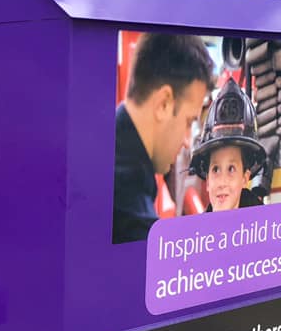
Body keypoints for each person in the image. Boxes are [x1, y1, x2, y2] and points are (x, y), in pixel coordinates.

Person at [112, 33, 214, 243]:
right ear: (164, 104)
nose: (187, 141)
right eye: (188, 122)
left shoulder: (109, 143)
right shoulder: (126, 201)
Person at [188, 79, 266, 212]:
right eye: (216, 170)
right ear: (207, 181)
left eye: (231, 169)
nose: (222, 183)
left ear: (245, 178)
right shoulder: (194, 232)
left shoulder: (268, 230)